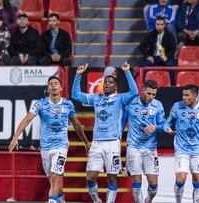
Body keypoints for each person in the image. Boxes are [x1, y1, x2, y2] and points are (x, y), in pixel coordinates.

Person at [9, 75, 90, 203]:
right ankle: (61, 199)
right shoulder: (41, 104)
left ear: (61, 88)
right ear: (48, 88)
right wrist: (15, 137)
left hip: (61, 146)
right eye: (51, 83)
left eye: (56, 83)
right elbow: (27, 120)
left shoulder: (68, 105)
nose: (53, 85)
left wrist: (86, 143)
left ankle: (51, 201)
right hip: (45, 147)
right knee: (53, 180)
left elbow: (76, 125)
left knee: (55, 175)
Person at [71, 62, 138, 203]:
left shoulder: (121, 98)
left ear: (115, 87)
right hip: (97, 143)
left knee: (112, 177)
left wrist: (127, 72)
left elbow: (134, 92)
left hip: (113, 143)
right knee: (90, 177)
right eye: (105, 82)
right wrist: (78, 75)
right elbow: (75, 95)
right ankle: (96, 200)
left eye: (110, 82)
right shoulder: (96, 98)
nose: (106, 84)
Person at [164, 84, 199, 203]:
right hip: (182, 149)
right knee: (181, 179)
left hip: (198, 150)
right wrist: (168, 129)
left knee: (197, 180)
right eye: (183, 95)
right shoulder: (177, 107)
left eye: (187, 95)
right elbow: (168, 122)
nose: (184, 97)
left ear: (195, 96)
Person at [124, 80, 166, 203]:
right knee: (136, 180)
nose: (151, 97)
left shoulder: (158, 105)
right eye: (149, 94)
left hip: (150, 148)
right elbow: (122, 121)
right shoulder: (131, 103)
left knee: (153, 185)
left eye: (154, 95)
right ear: (142, 90)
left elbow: (164, 123)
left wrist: (156, 127)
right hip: (133, 146)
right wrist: (117, 138)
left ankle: (148, 200)